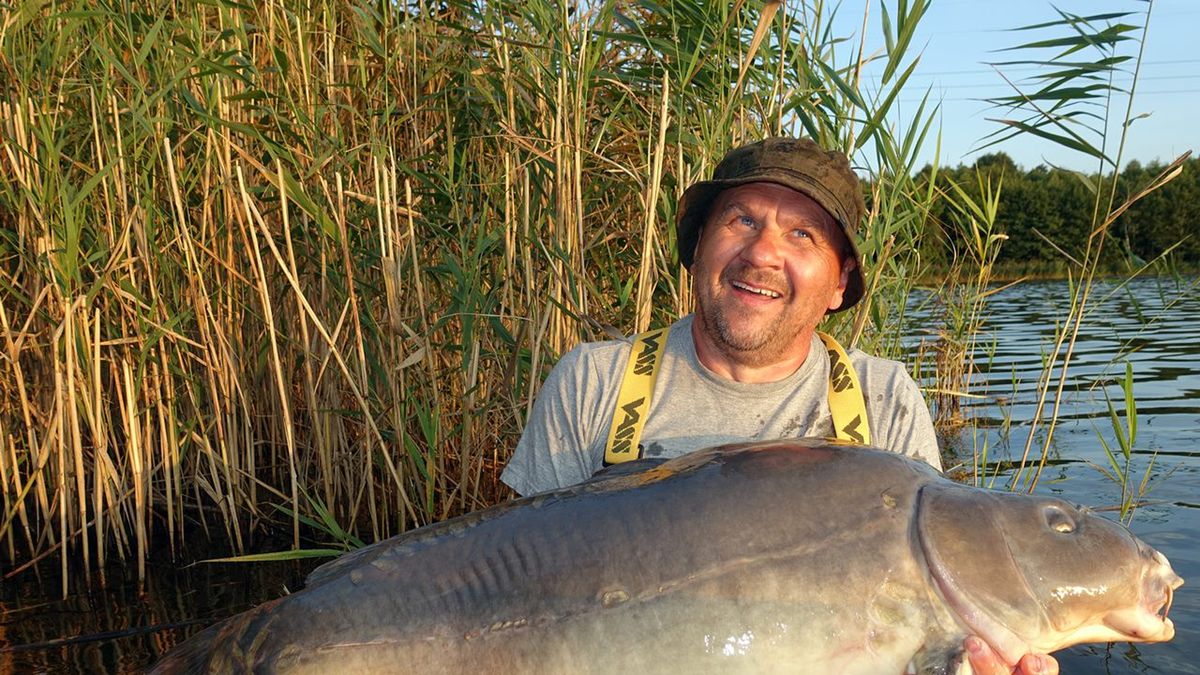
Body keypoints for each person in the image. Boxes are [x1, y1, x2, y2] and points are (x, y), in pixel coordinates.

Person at [501, 137, 1057, 675]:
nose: (762, 253)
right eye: (741, 220)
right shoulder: (595, 381)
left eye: (802, 234)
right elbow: (507, 582)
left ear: (840, 283)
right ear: (698, 248)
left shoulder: (882, 398)